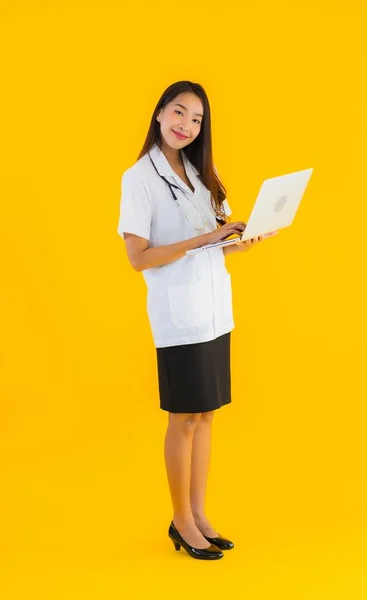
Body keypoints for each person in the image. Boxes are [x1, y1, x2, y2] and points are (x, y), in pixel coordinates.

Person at [117, 80, 278, 560]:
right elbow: (138, 257)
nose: (187, 125)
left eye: (197, 119)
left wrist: (241, 241)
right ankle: (180, 520)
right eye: (180, 113)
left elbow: (219, 239)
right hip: (177, 314)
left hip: (213, 310)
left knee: (206, 415)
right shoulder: (138, 178)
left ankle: (200, 513)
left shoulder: (202, 172)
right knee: (183, 418)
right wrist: (200, 242)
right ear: (160, 113)